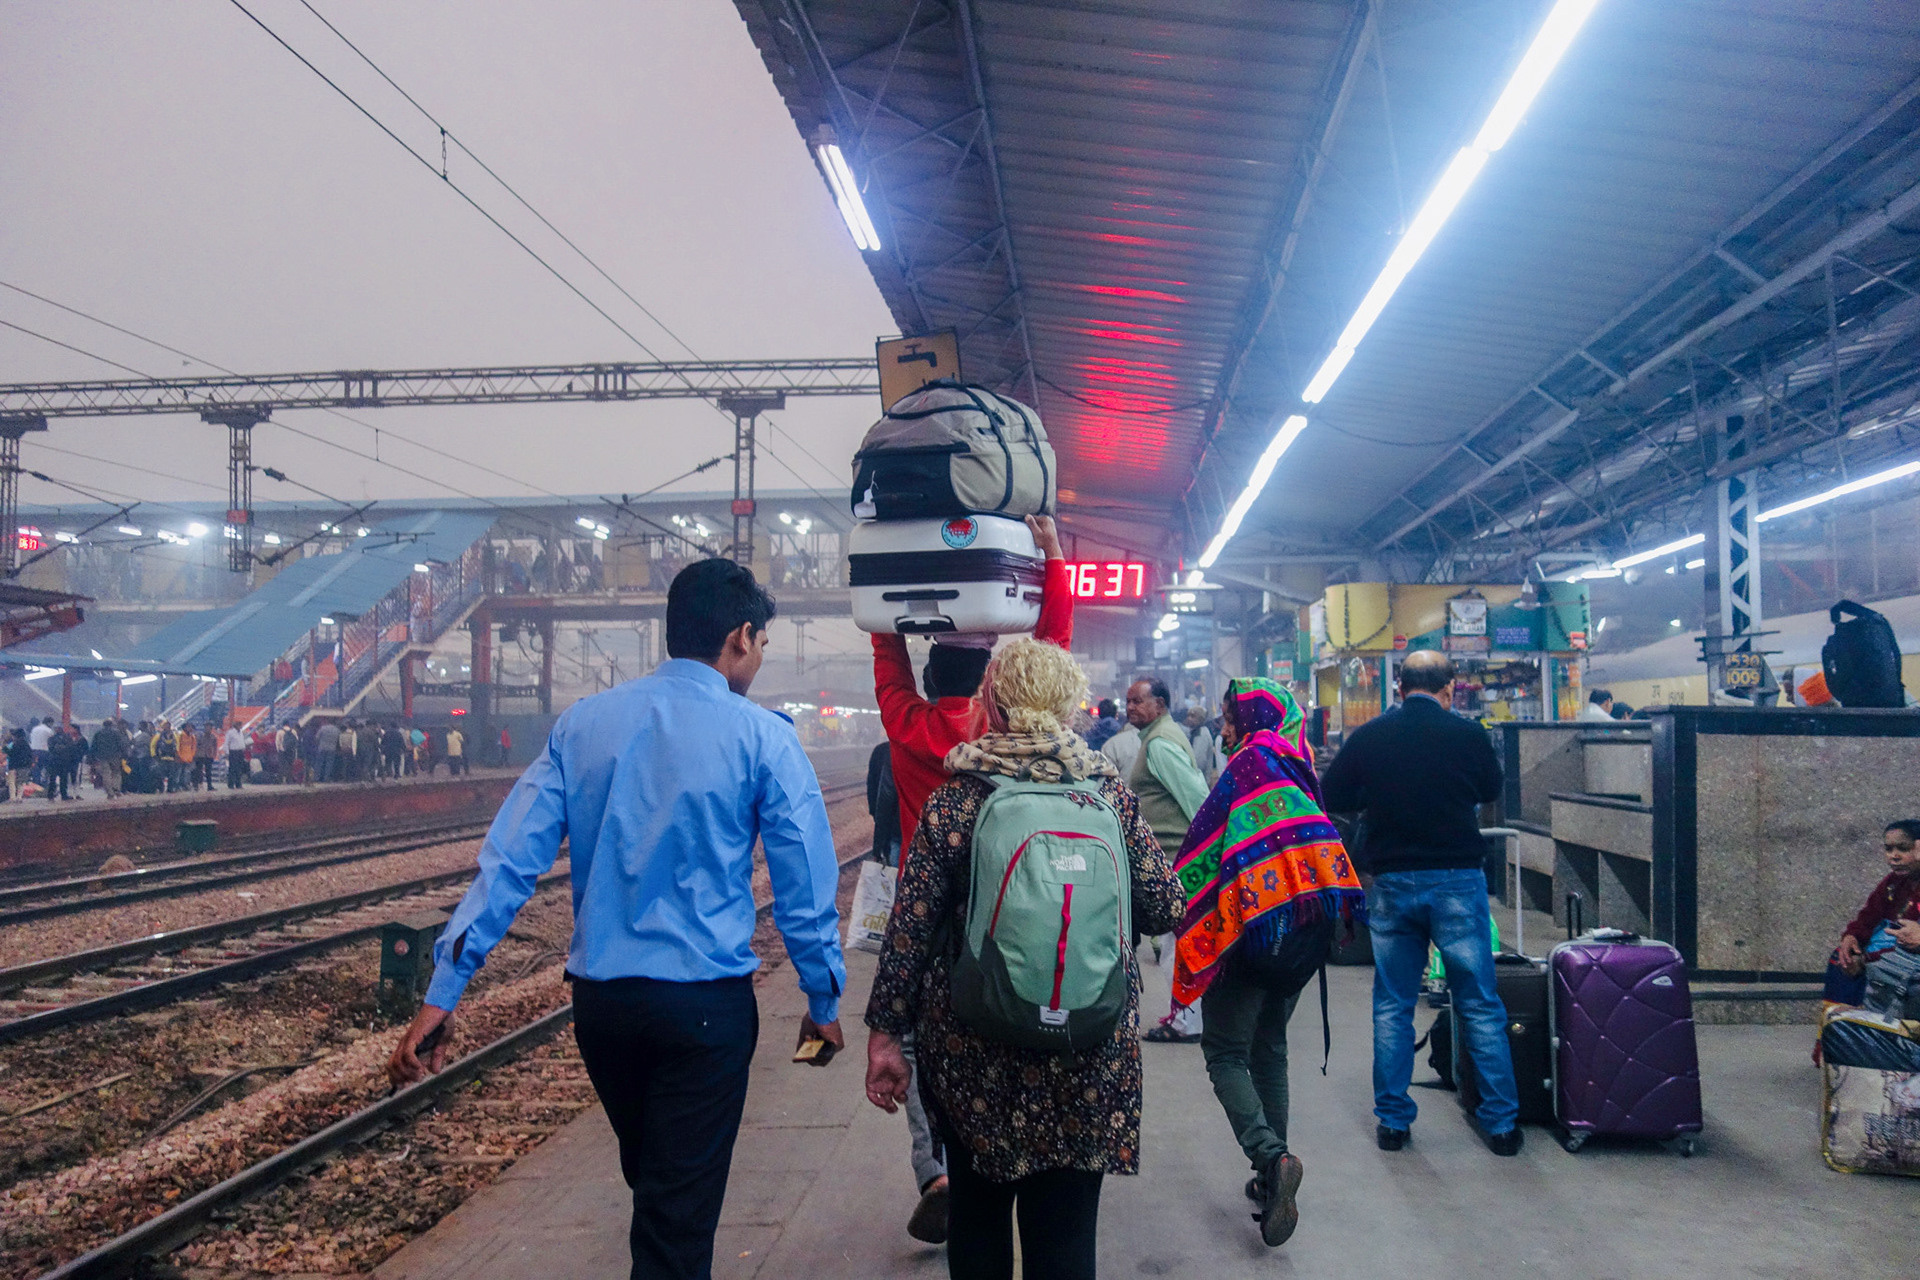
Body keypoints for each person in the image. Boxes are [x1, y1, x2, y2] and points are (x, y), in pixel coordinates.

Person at [389, 558, 845, 1280]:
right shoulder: (764, 738)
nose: (759, 658)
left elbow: (508, 864)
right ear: (740, 637)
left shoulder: (583, 726)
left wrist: (446, 990)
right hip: (704, 1014)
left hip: (603, 1011)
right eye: (760, 643)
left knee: (661, 1199)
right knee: (674, 1227)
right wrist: (822, 998)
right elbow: (804, 887)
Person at [864, 638, 1186, 1280]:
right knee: (1065, 1241)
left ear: (992, 702)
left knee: (978, 1229)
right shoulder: (1108, 797)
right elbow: (1164, 908)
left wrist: (885, 1038)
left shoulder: (959, 800)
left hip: (974, 1055)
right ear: (1070, 709)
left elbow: (911, 931)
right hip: (1088, 1051)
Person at [868, 515, 1073, 1243]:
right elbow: (1052, 648)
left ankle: (946, 1167)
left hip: (935, 915)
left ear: (929, 680)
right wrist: (1051, 554)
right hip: (1012, 908)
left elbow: (885, 658)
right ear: (991, 685)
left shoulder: (905, 726)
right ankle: (1023, 1145)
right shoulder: (1011, 737)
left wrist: (887, 607)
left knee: (929, 1045)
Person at [1168, 678, 1364, 1248]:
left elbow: (1209, 842)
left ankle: (1272, 1158)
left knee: (1225, 1051)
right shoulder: (1296, 762)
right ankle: (1270, 1179)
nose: (1224, 728)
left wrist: (1178, 898)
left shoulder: (1250, 764)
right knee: (1270, 1047)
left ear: (1253, 718)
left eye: (1231, 717)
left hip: (1252, 932)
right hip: (1301, 933)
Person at [1320, 649, 1521, 1156]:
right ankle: (1500, 1124)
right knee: (1477, 1002)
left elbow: (1334, 793)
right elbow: (1492, 787)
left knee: (1393, 1005)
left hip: (1390, 883)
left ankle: (1392, 1122)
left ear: (1399, 688)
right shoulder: (1468, 735)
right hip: (1456, 880)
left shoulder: (1370, 736)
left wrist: (1380, 793)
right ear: (1449, 688)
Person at [1125, 677, 1211, 1043]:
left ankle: (1187, 1022)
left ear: (1159, 704)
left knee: (1177, 945)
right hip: (1173, 859)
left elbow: (1197, 798)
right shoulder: (1160, 738)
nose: (1130, 708)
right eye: (1127, 701)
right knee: (1176, 943)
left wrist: (1204, 848)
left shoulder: (1160, 745)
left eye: (1138, 701)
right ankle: (1186, 1017)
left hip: (1175, 860)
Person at [1829, 820, 1920, 1017]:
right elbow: (1868, 917)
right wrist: (1851, 937)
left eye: (1903, 848)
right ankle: (1855, 1023)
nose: (1894, 856)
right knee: (1842, 957)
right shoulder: (1893, 883)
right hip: (1893, 956)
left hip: (1911, 960)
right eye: (1889, 849)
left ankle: (1872, 1019)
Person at [864, 738, 901, 865]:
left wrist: (878, 846)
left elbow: (877, 794)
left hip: (894, 829)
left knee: (895, 875)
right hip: (913, 827)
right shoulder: (919, 750)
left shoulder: (881, 751)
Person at [1184, 701, 1222, 781]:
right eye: (1188, 716)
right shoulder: (1194, 732)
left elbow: (1198, 762)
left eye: (1193, 716)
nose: (1189, 719)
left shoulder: (1201, 734)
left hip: (1200, 781)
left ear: (1200, 719)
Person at [91, 720, 127, 799]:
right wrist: (124, 754)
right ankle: (116, 789)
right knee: (116, 773)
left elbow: (94, 746)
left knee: (106, 774)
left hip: (103, 757)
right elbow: (121, 744)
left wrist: (92, 757)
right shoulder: (116, 733)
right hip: (115, 756)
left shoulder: (98, 733)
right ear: (111, 725)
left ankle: (110, 792)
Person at [5, 728, 32, 801]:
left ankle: (12, 797)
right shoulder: (27, 745)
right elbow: (30, 756)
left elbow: (9, 753)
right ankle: (19, 797)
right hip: (23, 766)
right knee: (20, 782)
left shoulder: (14, 745)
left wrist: (4, 746)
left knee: (12, 782)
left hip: (13, 766)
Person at [28, 716, 54, 787]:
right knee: (46, 768)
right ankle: (45, 784)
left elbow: (31, 739)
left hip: (34, 751)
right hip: (44, 751)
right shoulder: (49, 731)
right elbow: (51, 742)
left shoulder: (34, 729)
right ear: (49, 723)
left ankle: (36, 783)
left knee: (36, 768)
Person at [175, 718, 198, 790]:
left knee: (187, 773)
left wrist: (192, 755)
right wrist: (178, 755)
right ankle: (178, 786)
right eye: (188, 727)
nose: (190, 728)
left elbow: (193, 747)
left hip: (188, 758)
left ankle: (185, 785)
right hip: (180, 757)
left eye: (190, 727)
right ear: (184, 727)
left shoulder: (192, 737)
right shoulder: (180, 735)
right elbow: (177, 746)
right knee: (179, 772)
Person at [224, 720, 247, 789]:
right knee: (233, 769)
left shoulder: (241, 733)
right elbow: (226, 743)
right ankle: (231, 784)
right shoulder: (230, 733)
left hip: (240, 752)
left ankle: (238, 783)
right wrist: (227, 752)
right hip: (233, 752)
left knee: (239, 769)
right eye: (239, 725)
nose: (240, 726)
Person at [195, 722, 219, 791]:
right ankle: (197, 785)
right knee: (198, 771)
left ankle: (209, 785)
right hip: (200, 755)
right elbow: (196, 745)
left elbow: (215, 746)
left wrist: (214, 754)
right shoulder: (200, 736)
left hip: (209, 755)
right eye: (207, 727)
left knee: (209, 771)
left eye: (210, 727)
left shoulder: (213, 737)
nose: (208, 729)